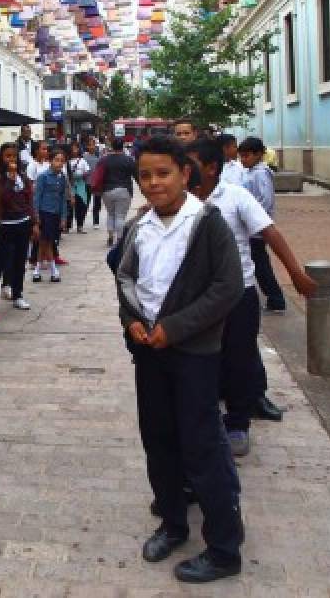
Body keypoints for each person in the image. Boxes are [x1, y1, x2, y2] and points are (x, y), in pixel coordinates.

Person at [114, 136, 245, 585]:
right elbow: (126, 278)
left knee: (202, 445)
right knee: (159, 439)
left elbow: (227, 287)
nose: (153, 183)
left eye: (163, 173)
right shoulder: (140, 226)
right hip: (149, 353)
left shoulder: (206, 223)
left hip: (194, 355)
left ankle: (225, 547)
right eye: (145, 175)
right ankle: (172, 522)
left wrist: (178, 326)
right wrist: (131, 320)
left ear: (185, 174)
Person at [183, 139, 317, 455]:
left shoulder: (236, 197)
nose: (184, 170)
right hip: (196, 299)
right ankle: (206, 421)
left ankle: (238, 423)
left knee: (239, 360)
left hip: (238, 294)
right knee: (202, 360)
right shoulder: (181, 201)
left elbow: (270, 233)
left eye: (190, 163)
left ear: (211, 167)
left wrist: (295, 273)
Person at [239, 137, 286, 314]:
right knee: (258, 263)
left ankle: (276, 298)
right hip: (251, 227)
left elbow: (265, 199)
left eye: (247, 156)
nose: (243, 160)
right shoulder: (251, 172)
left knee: (260, 264)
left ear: (259, 155)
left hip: (257, 228)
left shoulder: (260, 173)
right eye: (241, 157)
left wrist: (251, 217)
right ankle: (273, 297)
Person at [0, 142, 34, 311]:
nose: (11, 159)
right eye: (7, 156)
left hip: (23, 223)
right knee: (1, 261)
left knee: (19, 261)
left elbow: (28, 199)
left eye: (14, 156)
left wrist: (34, 220)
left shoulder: (22, 177)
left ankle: (18, 294)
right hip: (5, 225)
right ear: (2, 158)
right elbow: (3, 198)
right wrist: (9, 180)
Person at [32, 148, 69, 284]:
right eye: (57, 160)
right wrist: (36, 217)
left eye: (62, 161)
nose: (59, 163)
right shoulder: (43, 176)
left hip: (56, 214)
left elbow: (63, 198)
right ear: (50, 161)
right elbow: (37, 197)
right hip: (44, 212)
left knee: (46, 241)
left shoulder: (63, 178)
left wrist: (64, 217)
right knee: (46, 241)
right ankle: (53, 270)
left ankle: (37, 269)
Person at [95, 138, 137, 247]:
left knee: (111, 214)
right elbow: (136, 175)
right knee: (120, 216)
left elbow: (98, 174)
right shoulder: (128, 160)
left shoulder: (104, 159)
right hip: (124, 190)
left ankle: (110, 236)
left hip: (107, 191)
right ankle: (119, 239)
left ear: (112, 146)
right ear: (122, 146)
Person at [66, 142, 91, 234]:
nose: (74, 150)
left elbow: (88, 171)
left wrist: (82, 175)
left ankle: (80, 226)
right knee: (69, 207)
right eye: (72, 148)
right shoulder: (66, 161)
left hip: (80, 185)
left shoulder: (82, 161)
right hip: (69, 185)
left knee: (81, 206)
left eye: (76, 148)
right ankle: (67, 227)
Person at [83, 137, 103, 230]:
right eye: (90, 145)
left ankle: (96, 221)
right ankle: (81, 221)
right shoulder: (84, 157)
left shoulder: (99, 156)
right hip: (87, 183)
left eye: (93, 144)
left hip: (97, 184)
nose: (92, 147)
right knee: (85, 203)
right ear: (87, 146)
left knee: (97, 204)